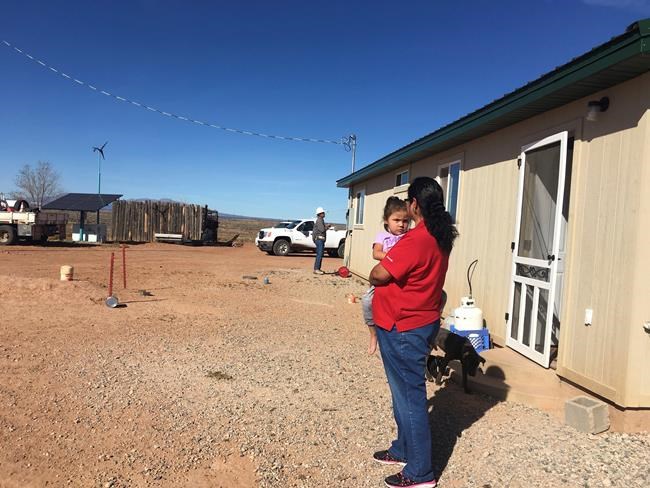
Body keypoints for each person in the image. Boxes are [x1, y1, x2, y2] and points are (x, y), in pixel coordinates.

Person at [369, 177, 458, 488]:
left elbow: (379, 274)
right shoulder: (439, 236)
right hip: (415, 322)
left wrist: (377, 272)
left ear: (415, 204)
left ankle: (420, 472)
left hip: (405, 326)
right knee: (402, 393)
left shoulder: (417, 239)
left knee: (410, 397)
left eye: (408, 202)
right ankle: (403, 448)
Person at [361, 196, 409, 355]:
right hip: (384, 276)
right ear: (387, 220)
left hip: (402, 278)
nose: (401, 224)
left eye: (405, 221)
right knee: (367, 301)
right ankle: (373, 333)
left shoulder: (408, 237)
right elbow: (376, 253)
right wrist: (393, 257)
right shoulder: (382, 236)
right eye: (397, 220)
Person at [312, 207, 327, 274]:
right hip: (319, 239)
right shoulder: (319, 220)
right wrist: (327, 227)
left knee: (320, 254)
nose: (324, 213)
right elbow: (322, 230)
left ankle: (317, 269)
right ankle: (317, 269)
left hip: (319, 239)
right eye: (323, 213)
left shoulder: (320, 220)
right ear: (320, 214)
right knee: (320, 254)